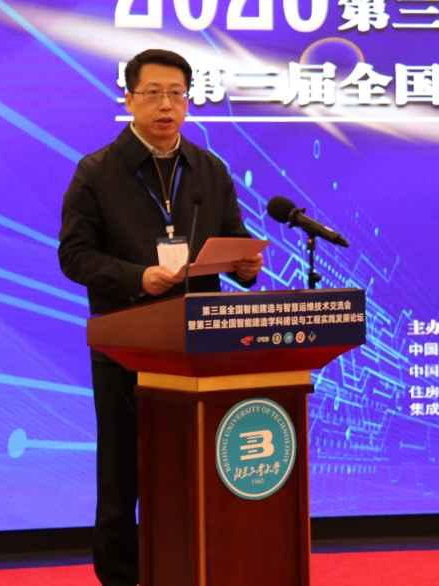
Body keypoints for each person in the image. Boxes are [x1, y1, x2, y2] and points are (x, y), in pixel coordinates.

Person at [58, 49, 263, 586]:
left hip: (197, 347)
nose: (166, 106)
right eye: (153, 94)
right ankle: (122, 576)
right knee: (122, 469)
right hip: (127, 344)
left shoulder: (209, 170)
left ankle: (193, 566)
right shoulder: (97, 172)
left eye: (176, 94)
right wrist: (137, 277)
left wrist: (245, 266)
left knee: (193, 466)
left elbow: (234, 238)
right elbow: (74, 257)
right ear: (129, 99)